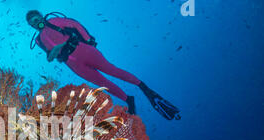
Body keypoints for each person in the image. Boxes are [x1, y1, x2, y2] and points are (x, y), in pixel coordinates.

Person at [26, 10, 181, 120]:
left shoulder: (53, 22)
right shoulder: (39, 40)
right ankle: (128, 99)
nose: (36, 22)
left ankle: (143, 87)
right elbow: (50, 55)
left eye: (36, 18)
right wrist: (57, 49)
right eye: (32, 22)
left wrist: (88, 39)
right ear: (31, 25)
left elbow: (74, 24)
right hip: (73, 64)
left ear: (41, 16)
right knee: (102, 83)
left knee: (111, 70)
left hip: (83, 50)